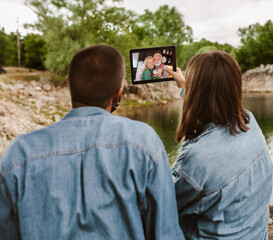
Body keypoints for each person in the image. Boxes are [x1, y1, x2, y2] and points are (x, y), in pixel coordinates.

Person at [0, 44, 185, 240]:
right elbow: (165, 233)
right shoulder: (144, 143)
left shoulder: (18, 154)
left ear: (68, 82)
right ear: (118, 93)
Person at [165, 51, 273, 240]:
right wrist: (185, 85)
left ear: (197, 94)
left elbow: (167, 204)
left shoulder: (198, 157)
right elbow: (213, 103)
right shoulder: (249, 122)